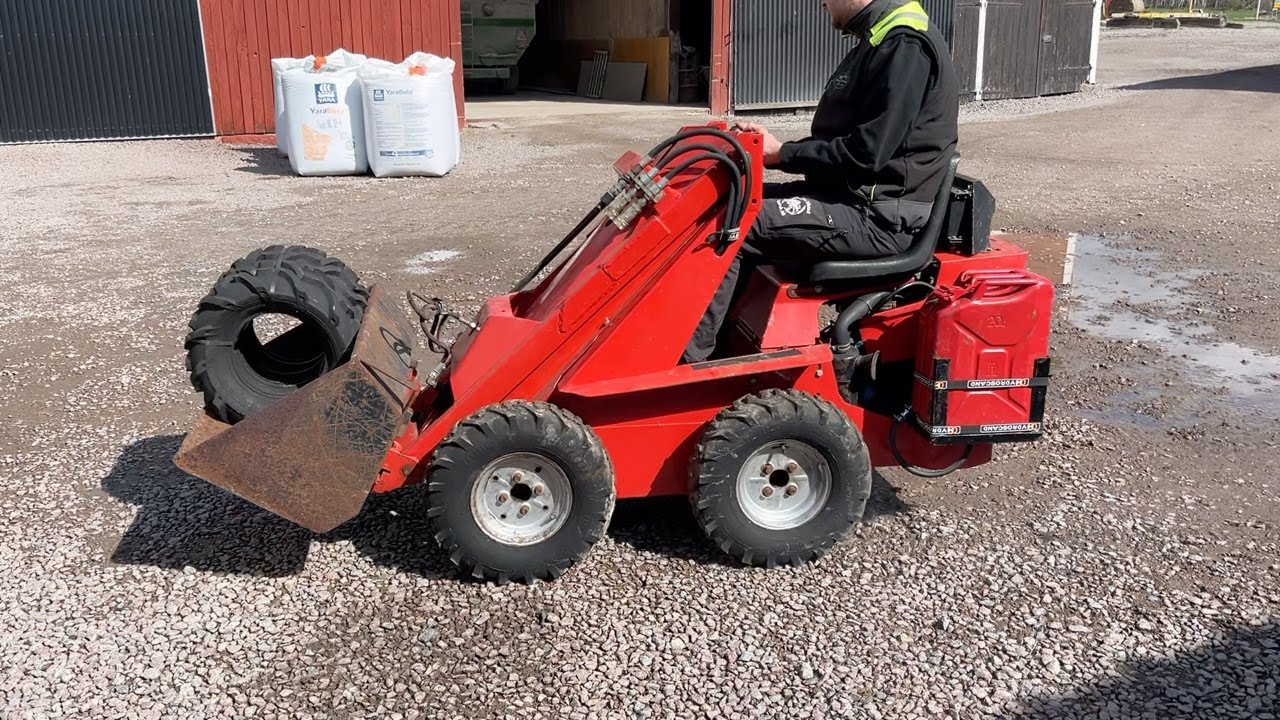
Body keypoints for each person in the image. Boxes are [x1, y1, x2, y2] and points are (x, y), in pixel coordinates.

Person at [682, 0, 960, 364]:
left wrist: (782, 154)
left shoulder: (905, 45)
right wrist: (775, 152)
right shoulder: (879, 39)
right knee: (734, 198)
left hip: (878, 219)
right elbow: (846, 144)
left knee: (737, 221)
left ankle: (689, 367)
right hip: (849, 198)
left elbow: (867, 154)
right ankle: (720, 345)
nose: (821, 2)